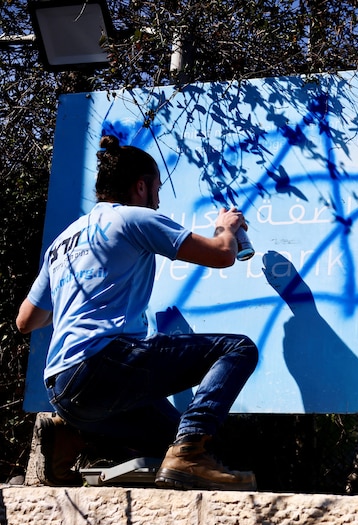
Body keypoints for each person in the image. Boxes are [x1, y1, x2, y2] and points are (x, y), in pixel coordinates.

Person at [17, 134, 259, 491]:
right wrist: (226, 227)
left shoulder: (63, 241)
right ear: (141, 186)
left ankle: (67, 433)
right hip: (104, 365)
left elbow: (26, 321)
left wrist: (79, 298)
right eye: (157, 189)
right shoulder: (133, 219)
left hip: (63, 389)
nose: (158, 200)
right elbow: (222, 254)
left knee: (170, 443)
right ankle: (190, 450)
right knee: (238, 349)